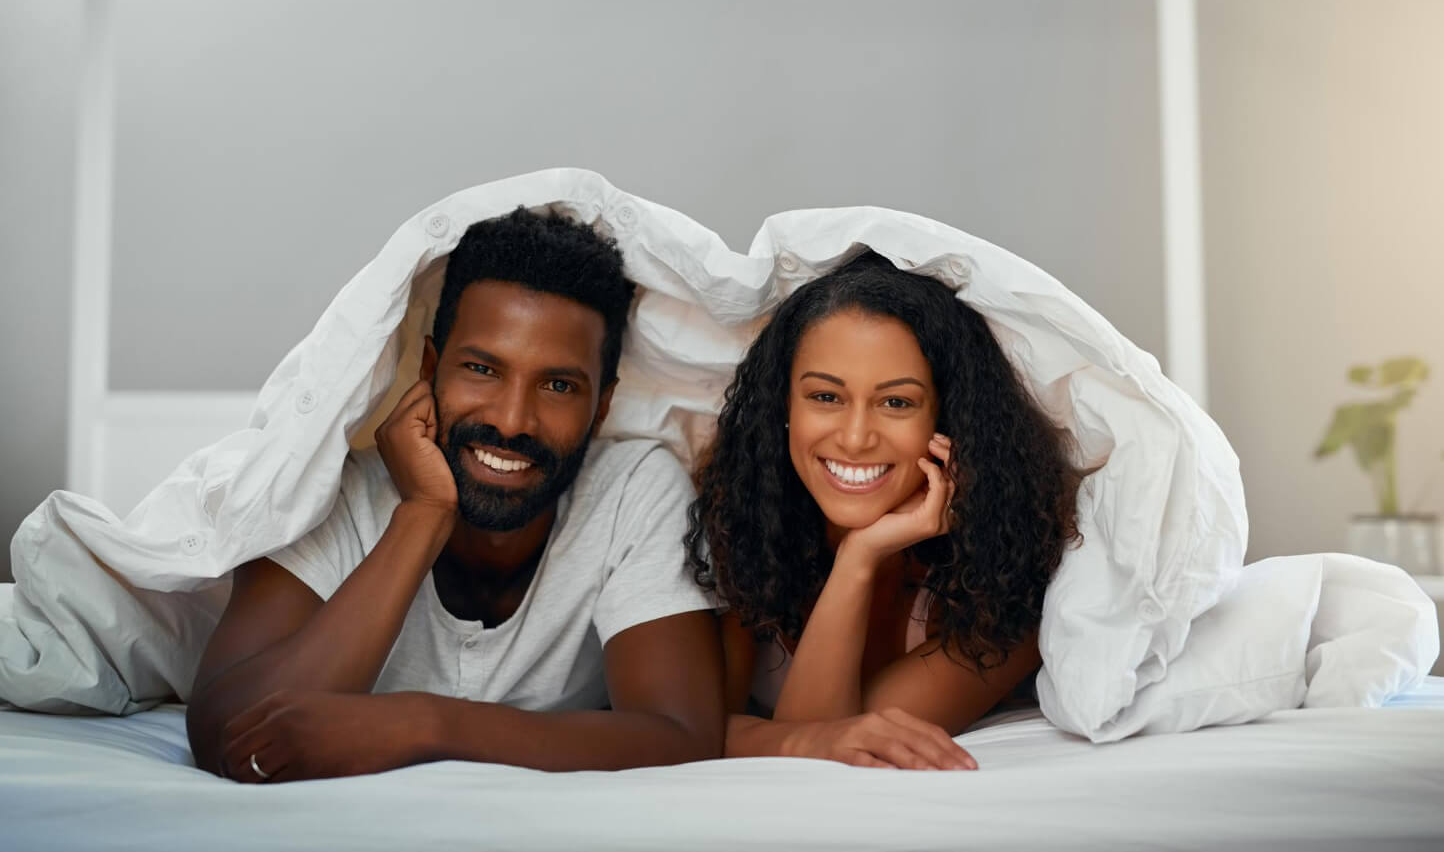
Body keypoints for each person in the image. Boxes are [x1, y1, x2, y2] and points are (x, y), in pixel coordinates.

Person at [187, 208, 724, 782]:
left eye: (559, 385)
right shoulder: (337, 492)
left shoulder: (634, 489)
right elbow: (231, 734)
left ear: (603, 407)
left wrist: (422, 724)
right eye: (482, 369)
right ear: (429, 369)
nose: (514, 420)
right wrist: (422, 516)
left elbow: (680, 735)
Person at [687, 252, 1082, 770]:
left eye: (896, 403)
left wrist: (860, 553)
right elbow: (684, 725)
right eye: (825, 396)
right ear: (784, 408)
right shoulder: (739, 517)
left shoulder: (1004, 580)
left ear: (948, 419)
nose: (854, 439)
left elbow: (834, 744)